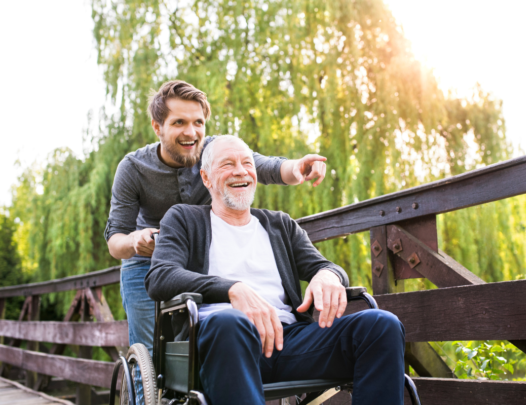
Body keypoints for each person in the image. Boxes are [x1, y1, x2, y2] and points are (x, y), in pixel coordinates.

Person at [145, 135, 406, 404]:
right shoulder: (184, 219)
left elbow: (323, 265)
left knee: (381, 325)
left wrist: (329, 275)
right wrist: (232, 290)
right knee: (230, 322)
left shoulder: (280, 224)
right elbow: (160, 277)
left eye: (247, 163)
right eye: (227, 164)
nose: (240, 170)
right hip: (222, 341)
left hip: (288, 342)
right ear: (206, 178)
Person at [105, 80, 328, 353]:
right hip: (146, 264)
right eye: (179, 123)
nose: (191, 132)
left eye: (198, 122)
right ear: (157, 127)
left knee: (198, 350)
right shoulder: (132, 168)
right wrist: (135, 241)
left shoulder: (215, 153)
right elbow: (115, 241)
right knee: (150, 355)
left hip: (198, 260)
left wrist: (299, 167)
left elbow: (266, 167)